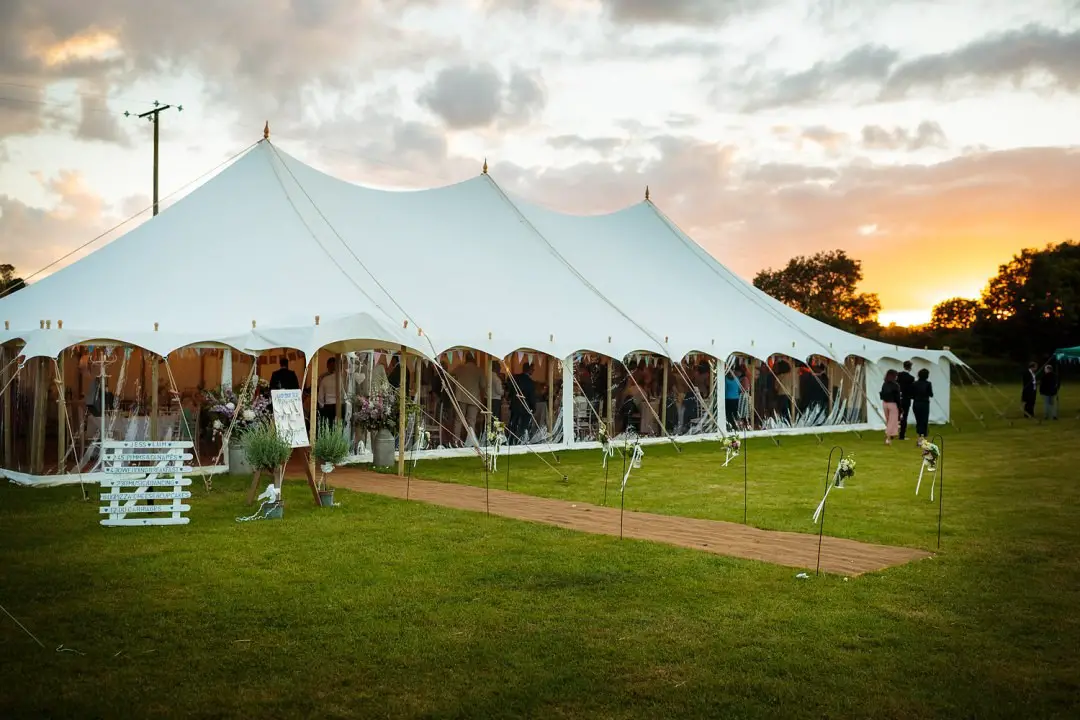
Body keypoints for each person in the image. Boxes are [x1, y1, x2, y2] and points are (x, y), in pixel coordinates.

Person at [451, 354, 483, 445]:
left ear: (466, 359)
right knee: (471, 421)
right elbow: (484, 385)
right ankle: (470, 441)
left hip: (461, 397)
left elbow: (451, 374)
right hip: (474, 397)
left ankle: (456, 440)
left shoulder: (460, 368)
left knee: (459, 420)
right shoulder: (479, 370)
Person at [510, 362, 537, 442]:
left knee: (513, 424)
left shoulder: (515, 378)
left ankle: (511, 440)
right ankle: (520, 441)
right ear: (529, 370)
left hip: (515, 405)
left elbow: (511, 391)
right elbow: (531, 396)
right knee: (523, 426)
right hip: (525, 407)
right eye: (532, 369)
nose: (533, 371)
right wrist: (533, 407)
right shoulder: (530, 382)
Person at [910, 368, 934, 438]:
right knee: (924, 419)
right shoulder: (928, 384)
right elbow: (931, 394)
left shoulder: (914, 384)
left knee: (918, 420)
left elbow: (912, 395)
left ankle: (919, 434)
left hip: (916, 403)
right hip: (925, 403)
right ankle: (924, 434)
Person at [879, 369, 901, 445]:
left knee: (889, 421)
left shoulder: (884, 384)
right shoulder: (896, 385)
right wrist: (900, 407)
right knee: (892, 421)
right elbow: (897, 397)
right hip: (892, 404)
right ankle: (888, 437)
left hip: (885, 403)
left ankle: (891, 434)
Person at [896, 361, 915, 440]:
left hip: (898, 398)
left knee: (896, 416)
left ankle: (892, 433)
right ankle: (902, 435)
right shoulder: (911, 378)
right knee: (904, 417)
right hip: (906, 399)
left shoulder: (898, 375)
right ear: (910, 368)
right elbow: (911, 389)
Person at [317, 356, 339, 423]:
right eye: (331, 365)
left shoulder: (324, 378)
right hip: (335, 405)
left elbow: (320, 395)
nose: (332, 367)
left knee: (329, 425)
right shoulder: (323, 377)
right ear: (327, 366)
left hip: (328, 405)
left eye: (333, 365)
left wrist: (322, 406)